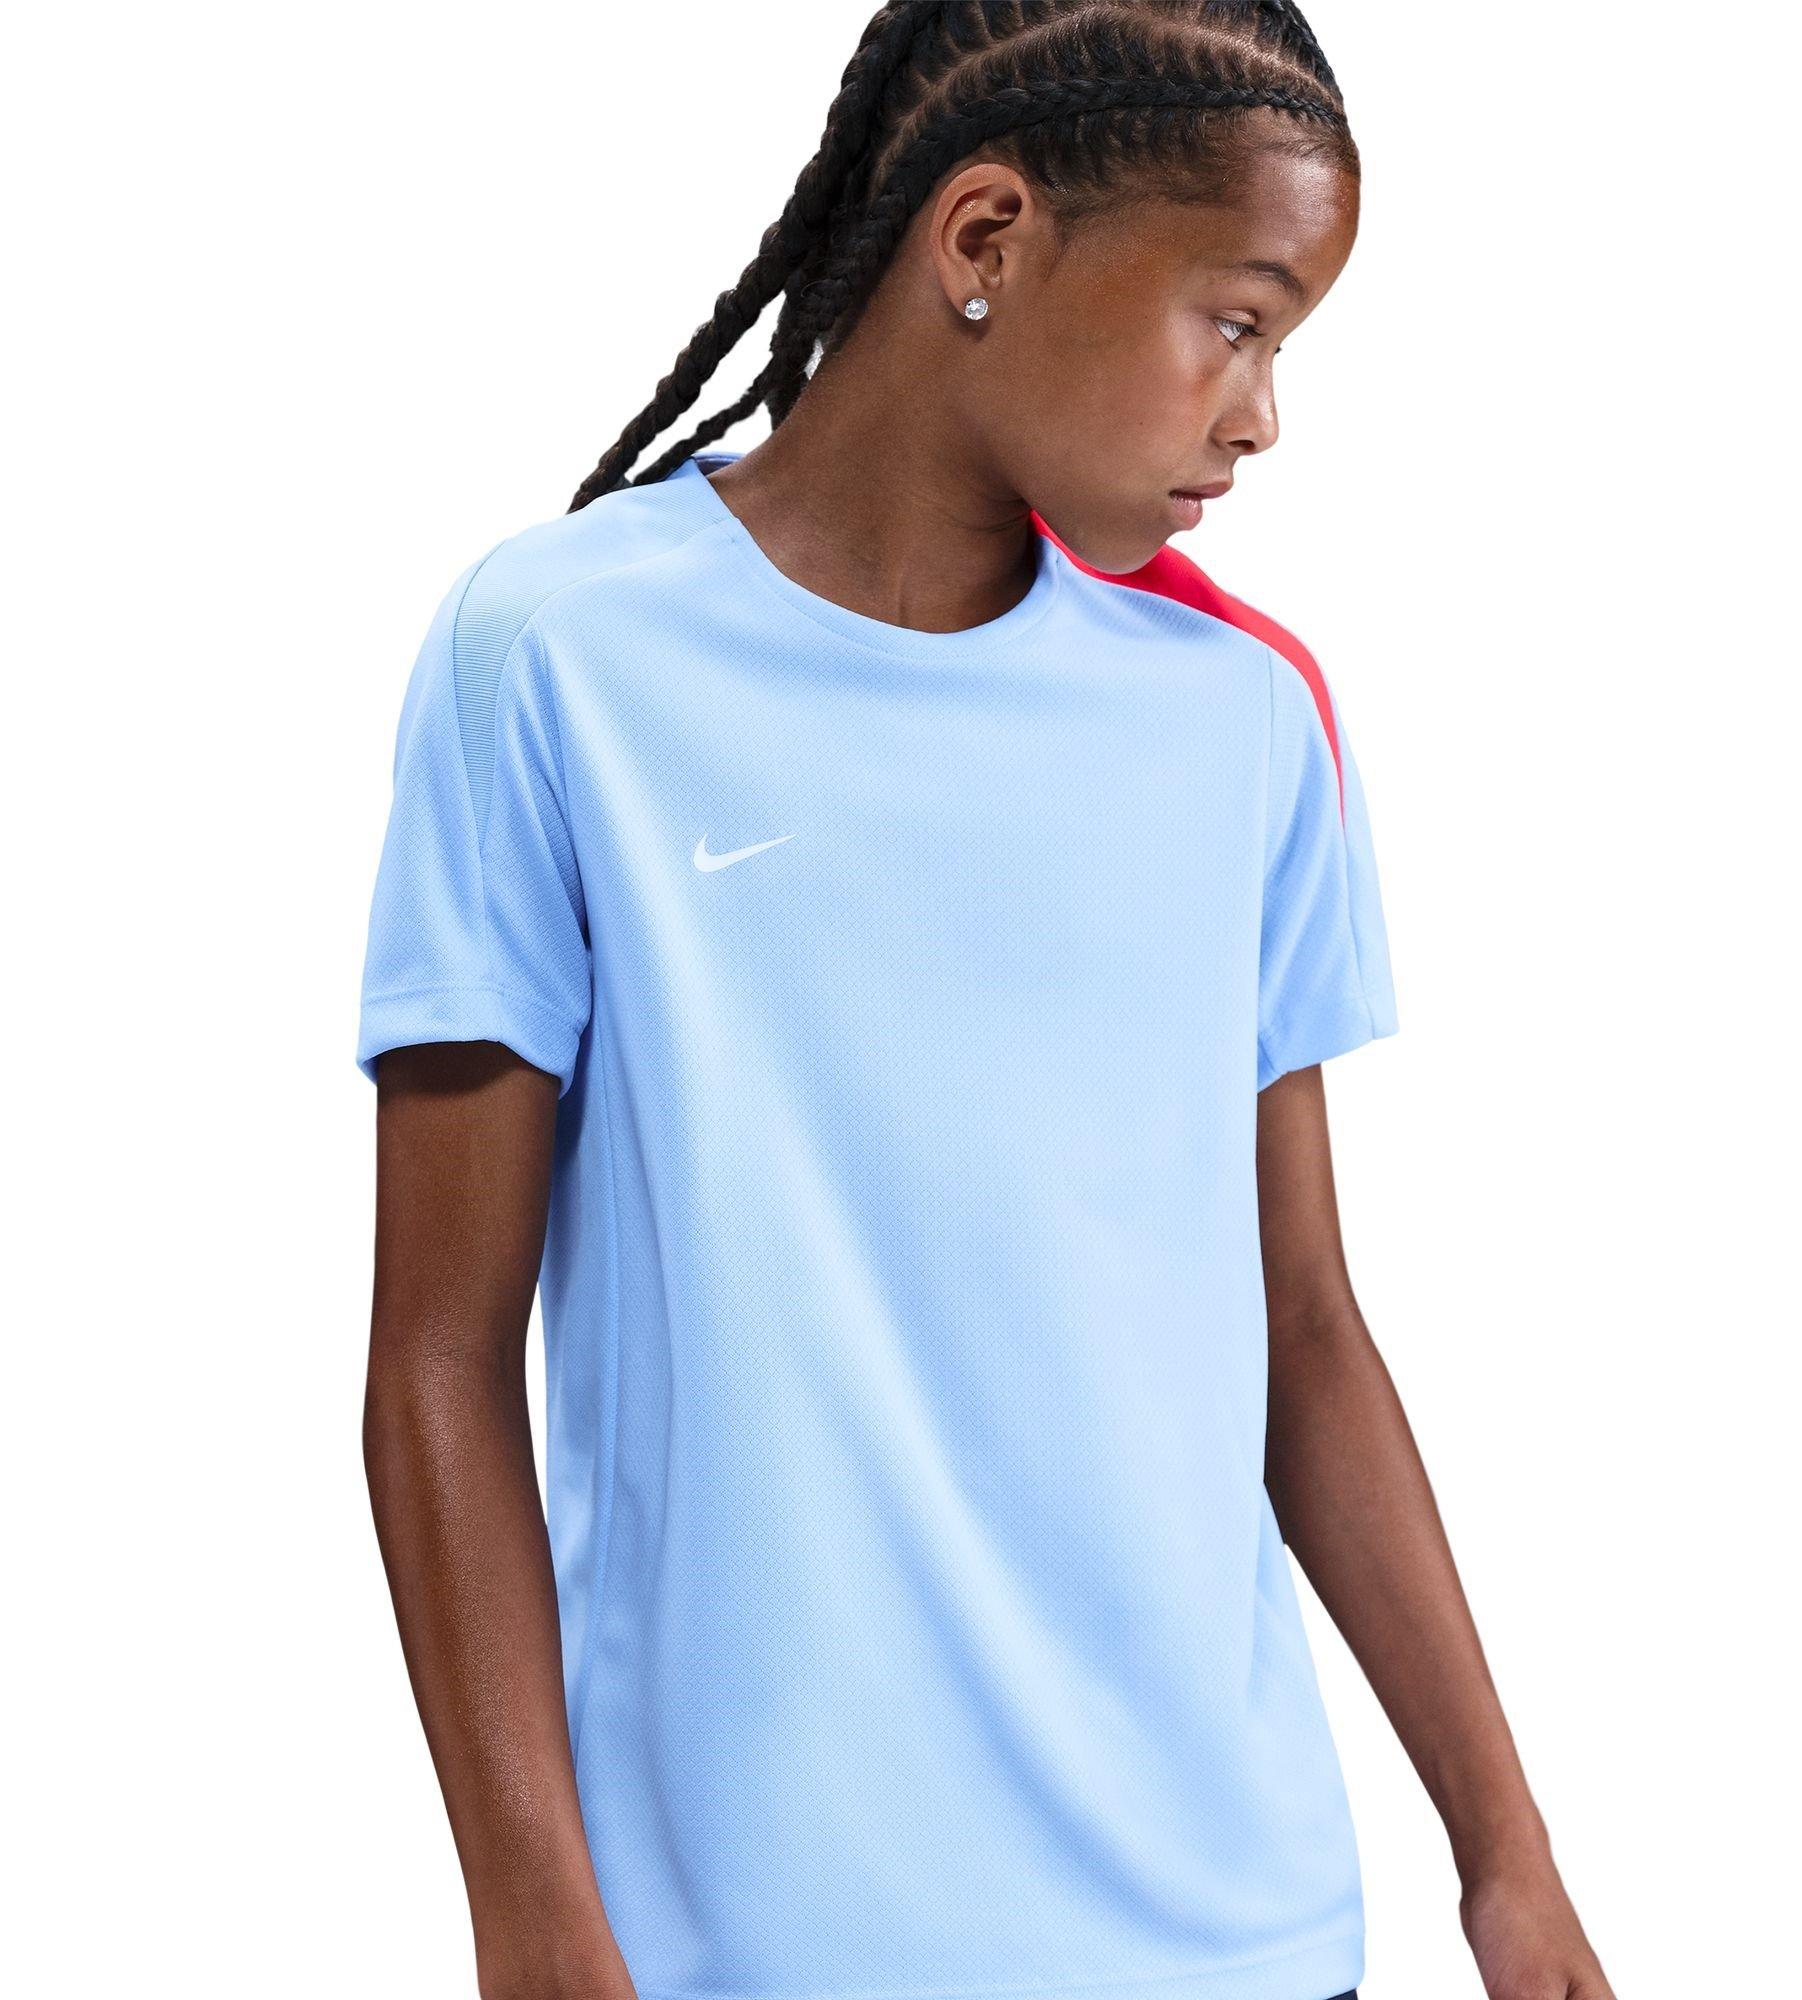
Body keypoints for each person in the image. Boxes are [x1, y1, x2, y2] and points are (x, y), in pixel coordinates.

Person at [355, 6, 1616, 2000]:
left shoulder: (1242, 717)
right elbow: (438, 1355)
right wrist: (531, 1912)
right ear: (986, 238)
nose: (1262, 417)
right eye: (1238, 322)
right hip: (746, 1951)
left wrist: (1506, 1854)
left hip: (1236, 1936)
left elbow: (1302, 1333)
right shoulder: (561, 656)